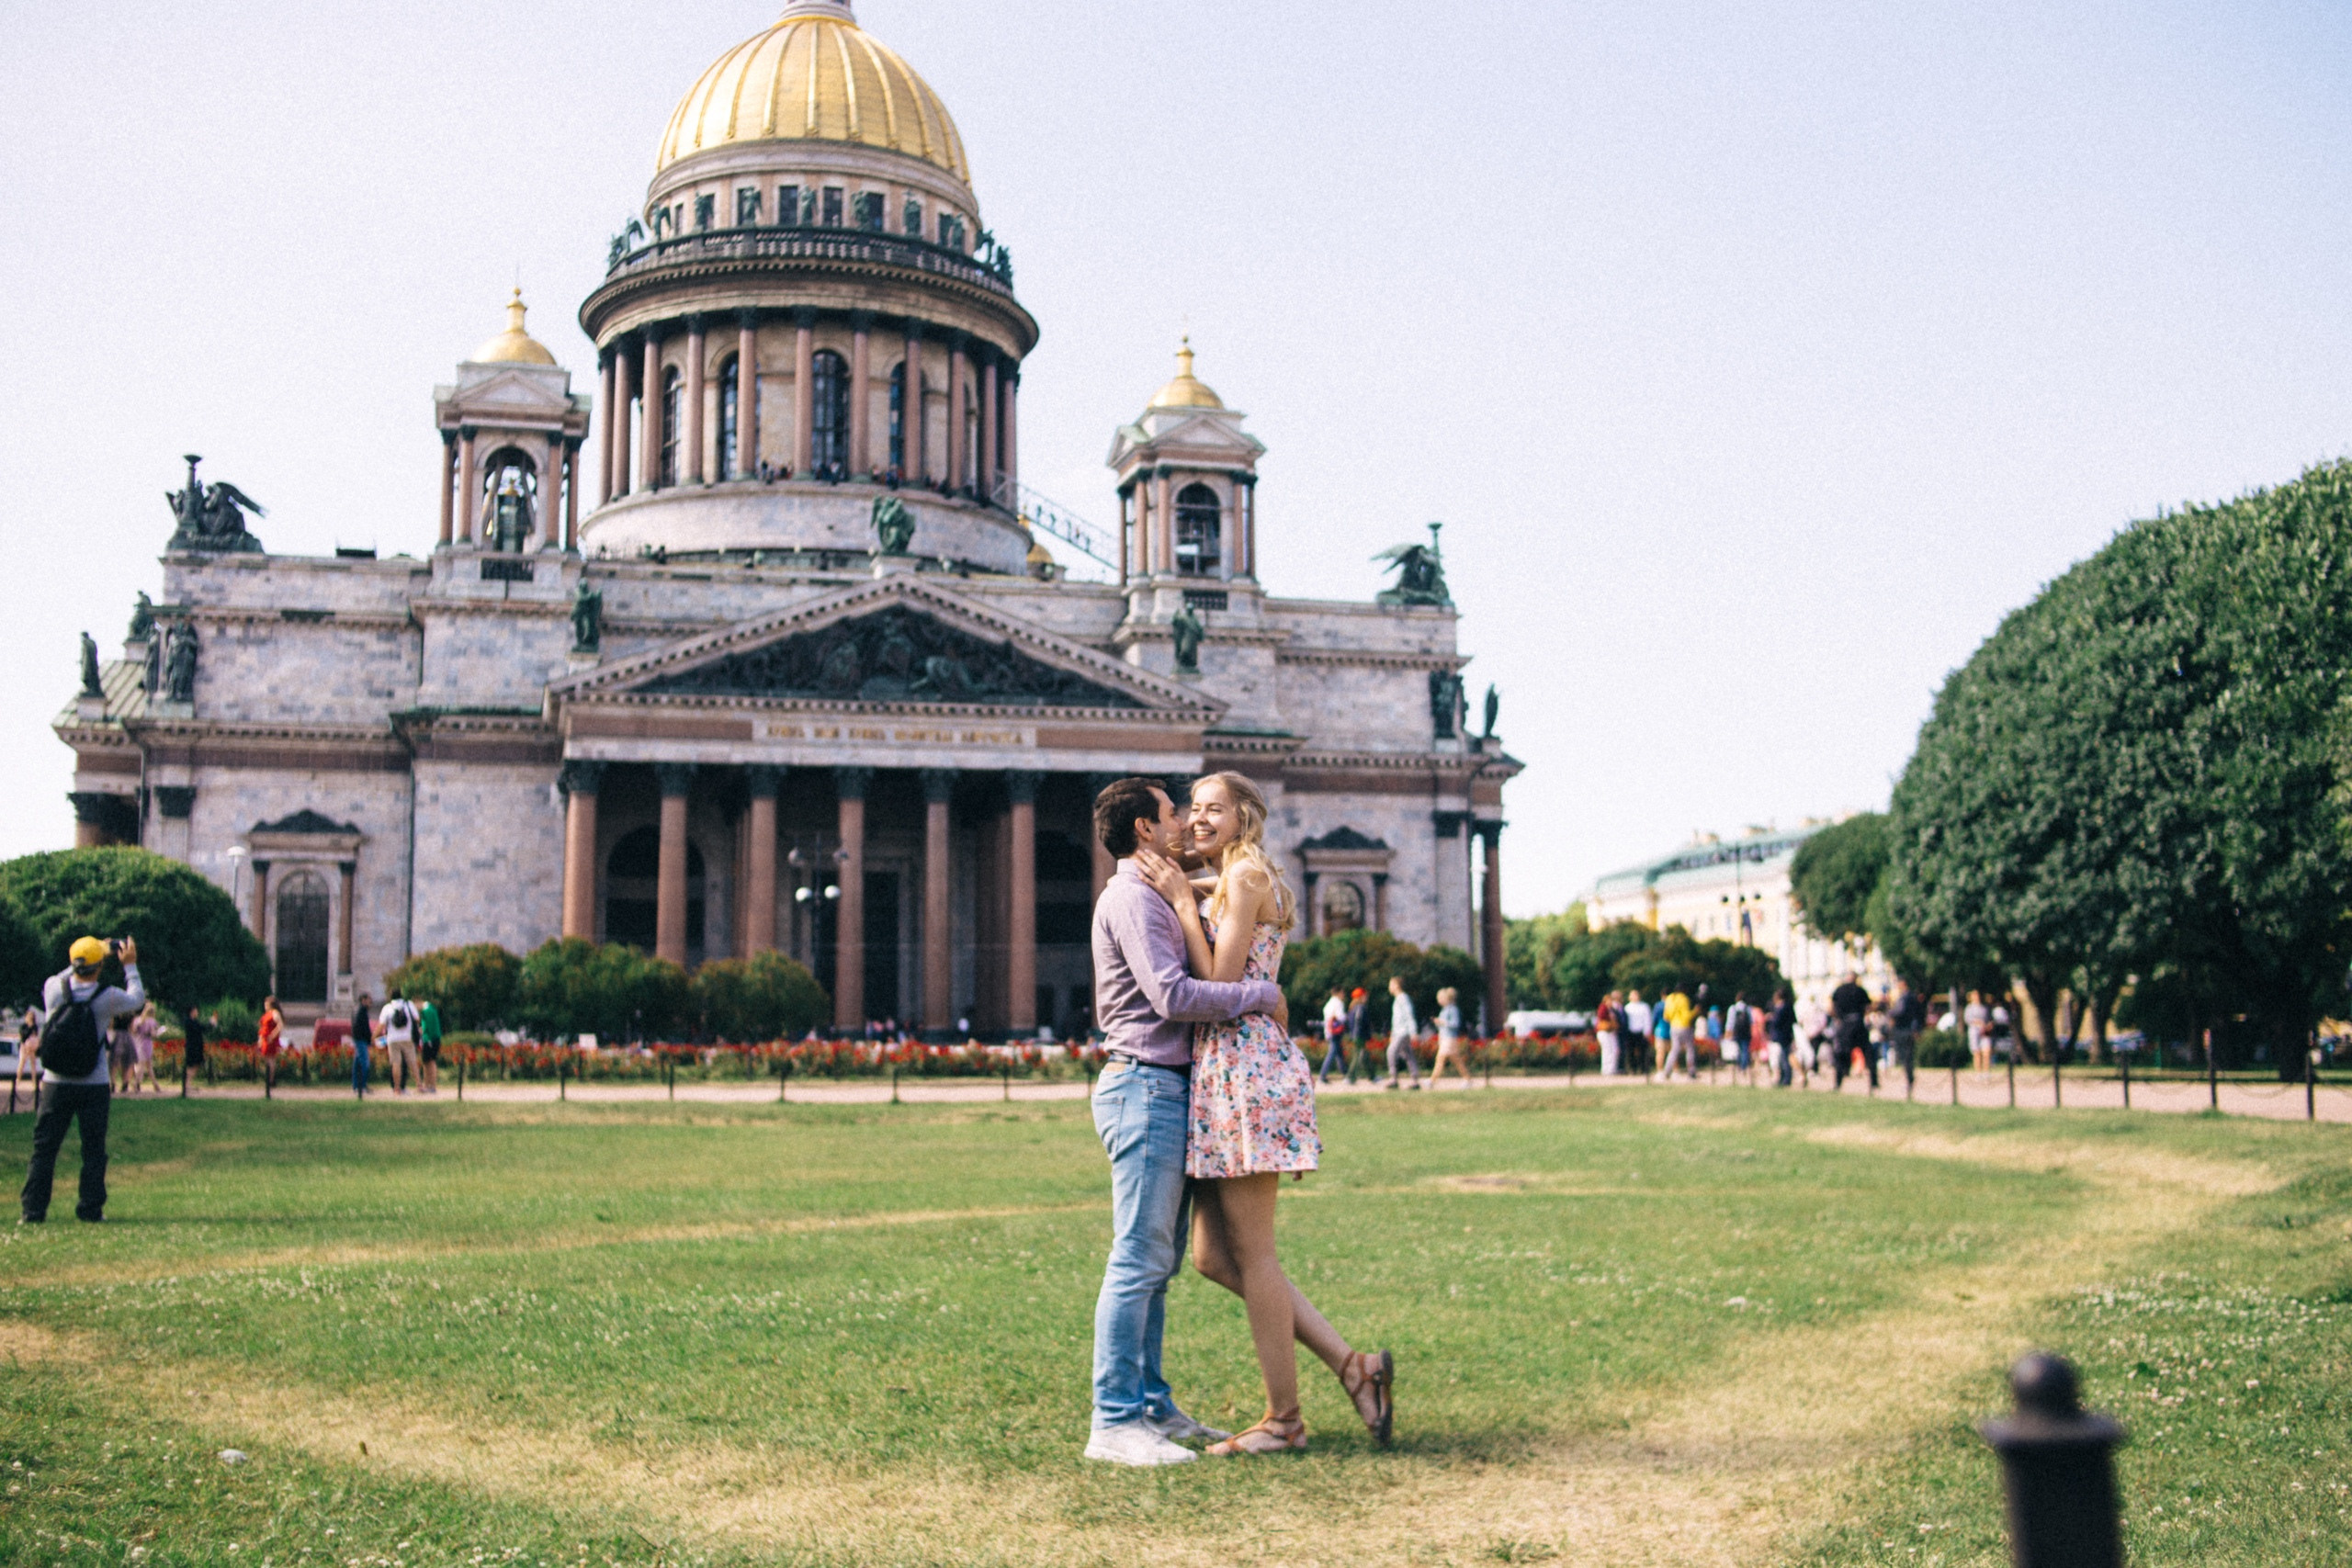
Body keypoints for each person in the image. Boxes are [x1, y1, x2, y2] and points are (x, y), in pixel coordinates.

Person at [1137, 771, 1392, 1456]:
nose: (1196, 819)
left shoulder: (1246, 877)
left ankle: (1285, 1420)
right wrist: (1177, 884)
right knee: (1215, 1255)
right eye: (1192, 808)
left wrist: (1183, 906)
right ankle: (1352, 1365)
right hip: (1230, 1063)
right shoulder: (1234, 878)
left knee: (1254, 1254)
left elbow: (1217, 983)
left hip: (1245, 1064)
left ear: (1246, 815)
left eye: (1213, 808)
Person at [1082, 776, 1289, 1467]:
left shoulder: (1159, 890)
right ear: (1145, 827)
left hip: (1168, 1088)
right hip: (1144, 1085)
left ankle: (1151, 1406)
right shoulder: (1133, 897)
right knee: (1139, 1258)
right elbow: (1172, 995)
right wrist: (1262, 993)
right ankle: (1114, 1420)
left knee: (1159, 1262)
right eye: (1173, 811)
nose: (1183, 821)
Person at [22, 936, 144, 1224]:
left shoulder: (53, 990)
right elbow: (137, 998)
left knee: (44, 1148)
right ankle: (90, 1208)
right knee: (93, 1149)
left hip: (55, 1082)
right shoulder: (107, 996)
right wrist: (130, 966)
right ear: (99, 966)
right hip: (93, 1081)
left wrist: (90, 952)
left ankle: (33, 1210)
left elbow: (64, 975)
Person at [1830, 972, 1873, 1090]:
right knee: (1868, 1053)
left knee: (1841, 1053)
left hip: (1845, 1024)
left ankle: (1838, 1081)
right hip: (1858, 1023)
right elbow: (1868, 1007)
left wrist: (1838, 1018)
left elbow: (1833, 1007)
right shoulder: (1861, 991)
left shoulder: (1839, 991)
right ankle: (1873, 1081)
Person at [1383, 976, 1421, 1090]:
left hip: (1403, 1031)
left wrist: (1413, 1032)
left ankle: (1393, 1078)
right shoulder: (1398, 999)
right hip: (1399, 1031)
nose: (1389, 987)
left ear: (1397, 986)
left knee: (1391, 1052)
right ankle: (1415, 1080)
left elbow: (1409, 1015)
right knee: (1407, 1054)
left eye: (1391, 984)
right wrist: (1392, 1034)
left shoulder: (1403, 998)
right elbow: (1396, 1020)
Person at [379, 991, 421, 1094]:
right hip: (407, 1038)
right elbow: (417, 1019)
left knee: (396, 1063)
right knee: (412, 1062)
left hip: (393, 1039)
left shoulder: (387, 1008)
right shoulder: (408, 1004)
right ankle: (419, 1085)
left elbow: (382, 1024)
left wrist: (374, 1037)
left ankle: (397, 1088)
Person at [1430, 987, 1471, 1087]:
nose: (1439, 1000)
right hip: (1445, 1038)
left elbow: (1455, 1024)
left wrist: (1443, 1022)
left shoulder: (1453, 1010)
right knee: (1455, 1060)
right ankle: (1467, 1079)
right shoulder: (1444, 1010)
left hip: (1450, 1038)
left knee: (1441, 1058)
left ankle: (1432, 1080)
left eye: (1441, 998)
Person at [1660, 987, 1696, 1080]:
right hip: (1684, 1026)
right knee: (1689, 1049)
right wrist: (1696, 1011)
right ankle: (1691, 1072)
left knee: (1675, 1049)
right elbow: (1687, 1016)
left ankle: (1667, 1071)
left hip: (1673, 1026)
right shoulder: (1684, 999)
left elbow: (1666, 1016)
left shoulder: (1670, 998)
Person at [1766, 988, 1797, 1088]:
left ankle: (1785, 1079)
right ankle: (1785, 1078)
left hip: (1781, 1036)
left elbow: (1777, 1022)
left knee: (1783, 1058)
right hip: (1787, 1035)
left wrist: (1771, 1018)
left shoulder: (1781, 1008)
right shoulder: (1790, 1007)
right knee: (1785, 1057)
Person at [1317, 988, 1348, 1083]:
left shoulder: (1328, 1004)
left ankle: (1346, 1073)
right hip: (1336, 1031)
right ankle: (1323, 1075)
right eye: (1342, 992)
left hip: (1329, 1031)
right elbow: (1340, 1017)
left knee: (1339, 1053)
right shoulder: (1338, 1003)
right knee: (1332, 1052)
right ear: (1338, 993)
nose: (1343, 995)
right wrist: (1347, 1017)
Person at [130, 1002, 159, 1095]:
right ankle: (140, 1083)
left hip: (139, 1043)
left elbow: (133, 1031)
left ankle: (153, 1084)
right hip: (148, 1043)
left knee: (141, 1065)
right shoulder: (152, 1021)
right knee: (149, 1066)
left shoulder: (137, 1020)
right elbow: (153, 1034)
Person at [416, 997, 444, 1094]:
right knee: (429, 1061)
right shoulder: (432, 1009)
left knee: (429, 1062)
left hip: (429, 1039)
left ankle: (430, 1084)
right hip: (434, 1038)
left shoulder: (426, 1011)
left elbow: (427, 1027)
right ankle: (429, 1085)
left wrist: (421, 1031)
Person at [350, 991, 376, 1098]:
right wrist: (370, 1039)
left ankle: (356, 1085)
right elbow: (365, 1028)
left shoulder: (356, 1010)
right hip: (361, 1040)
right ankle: (362, 1086)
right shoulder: (362, 1011)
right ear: (364, 1000)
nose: (371, 1003)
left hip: (357, 1039)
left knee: (357, 1063)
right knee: (364, 1063)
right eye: (369, 1001)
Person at [1724, 993, 1754, 1084]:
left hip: (1736, 1032)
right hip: (1745, 1032)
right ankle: (1743, 1067)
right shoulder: (1748, 1008)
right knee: (1745, 1049)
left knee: (1737, 1049)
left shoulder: (1733, 1008)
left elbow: (1730, 1022)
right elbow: (1751, 1022)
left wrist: (1728, 1033)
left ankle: (1739, 1065)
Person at [1621, 989, 1651, 1077]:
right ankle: (1632, 1069)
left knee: (1642, 1051)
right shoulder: (1627, 1007)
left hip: (1641, 1031)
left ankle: (1643, 1068)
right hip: (1630, 1032)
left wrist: (1647, 1031)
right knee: (1630, 1052)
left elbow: (1647, 1019)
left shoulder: (1644, 1006)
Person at [1594, 990, 1623, 1077]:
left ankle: (1610, 1069)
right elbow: (1602, 1017)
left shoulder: (1612, 1009)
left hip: (1610, 1032)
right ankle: (1607, 1069)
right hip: (1604, 1031)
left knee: (1611, 1050)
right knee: (1608, 1050)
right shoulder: (1603, 1008)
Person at [1964, 990, 1992, 1074]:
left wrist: (1989, 1025)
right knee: (1977, 1052)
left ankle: (1986, 1072)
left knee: (1986, 1051)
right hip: (1974, 1031)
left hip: (1984, 1031)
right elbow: (1967, 1020)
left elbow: (1989, 1019)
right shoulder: (1969, 1008)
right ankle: (1978, 1072)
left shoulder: (1984, 1007)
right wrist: (1978, 1022)